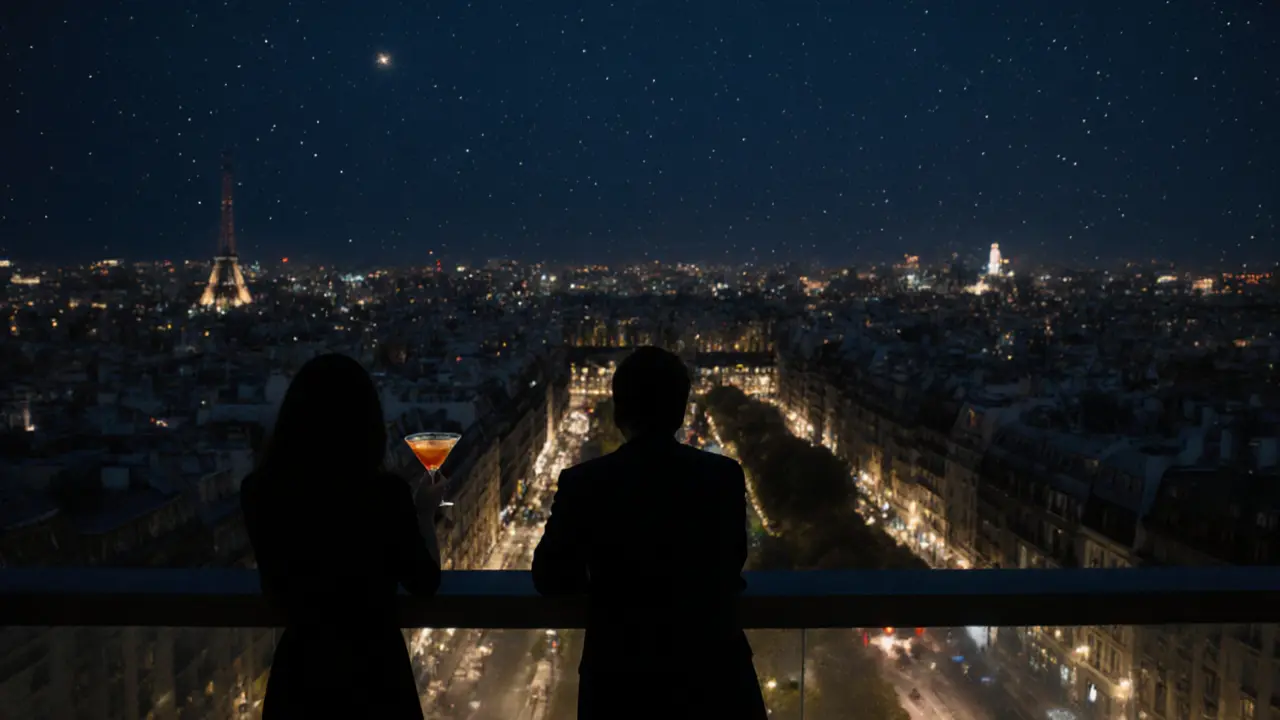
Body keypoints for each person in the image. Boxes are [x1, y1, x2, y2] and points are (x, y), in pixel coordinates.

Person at [532, 346, 767, 720]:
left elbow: (549, 576)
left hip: (620, 682)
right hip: (712, 675)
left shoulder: (585, 483)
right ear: (681, 410)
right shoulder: (722, 476)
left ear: (619, 412)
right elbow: (730, 562)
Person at [241, 353, 443, 719]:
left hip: (301, 680)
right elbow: (425, 581)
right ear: (368, 424)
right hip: (376, 679)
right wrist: (425, 513)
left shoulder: (259, 493)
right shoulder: (384, 495)